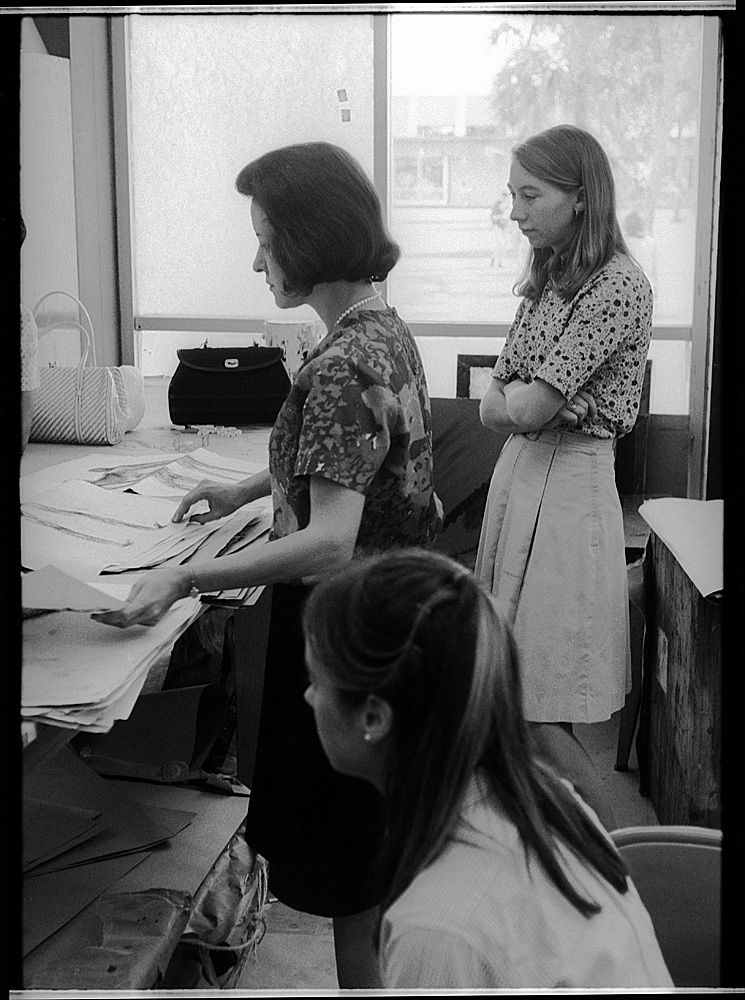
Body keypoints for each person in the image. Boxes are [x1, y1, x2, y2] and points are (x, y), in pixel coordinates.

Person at [94, 141, 441, 988]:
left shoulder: (342, 362)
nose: (257, 261)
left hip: (345, 634)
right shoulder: (380, 329)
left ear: (310, 237)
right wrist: (246, 488)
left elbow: (328, 540)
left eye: (265, 239)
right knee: (370, 860)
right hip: (392, 622)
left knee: (351, 871)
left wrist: (185, 577)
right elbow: (358, 462)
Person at [301, 547, 673, 990]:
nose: (308, 697)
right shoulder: (544, 797)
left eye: (317, 681)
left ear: (373, 717)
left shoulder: (439, 929)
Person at [475, 125, 653, 749]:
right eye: (513, 196)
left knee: (547, 692)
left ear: (581, 197)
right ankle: (532, 807)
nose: (516, 213)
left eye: (530, 196)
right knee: (510, 690)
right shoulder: (549, 277)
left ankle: (572, 813)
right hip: (519, 474)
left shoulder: (617, 284)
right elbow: (493, 406)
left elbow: (524, 403)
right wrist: (537, 407)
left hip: (571, 485)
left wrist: (531, 404)